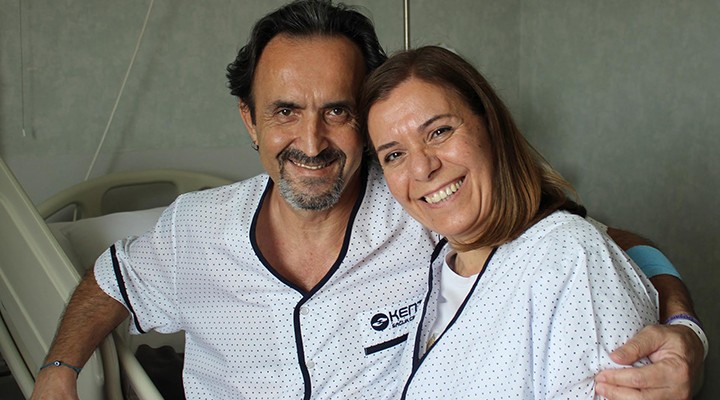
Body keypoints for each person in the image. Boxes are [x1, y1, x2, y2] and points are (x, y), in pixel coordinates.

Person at [30, 1, 705, 399]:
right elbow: (109, 281)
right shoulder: (194, 232)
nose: (311, 142)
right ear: (249, 121)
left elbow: (593, 244)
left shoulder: (422, 207)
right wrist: (60, 368)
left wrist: (683, 333)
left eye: (338, 111)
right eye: (285, 111)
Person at [360, 44, 675, 398]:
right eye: (395, 154)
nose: (422, 168)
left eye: (439, 132)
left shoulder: (570, 258)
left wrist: (686, 325)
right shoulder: (438, 265)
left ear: (490, 126)